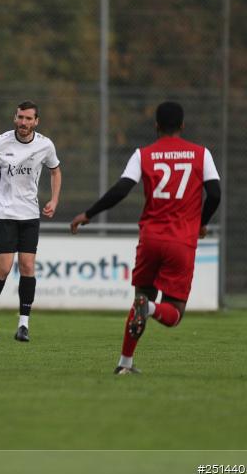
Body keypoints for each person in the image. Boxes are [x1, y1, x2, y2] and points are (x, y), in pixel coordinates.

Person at [70, 101, 220, 374]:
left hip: (150, 239)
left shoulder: (144, 155)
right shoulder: (202, 154)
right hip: (181, 241)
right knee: (173, 314)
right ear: (182, 126)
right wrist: (201, 223)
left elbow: (121, 189)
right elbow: (216, 194)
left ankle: (124, 363)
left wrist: (89, 214)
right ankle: (150, 309)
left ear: (156, 126)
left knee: (141, 296)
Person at [0, 100, 61, 342]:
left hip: (30, 214)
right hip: (4, 213)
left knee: (27, 267)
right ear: (15, 118)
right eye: (20, 118)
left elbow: (55, 170)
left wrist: (54, 200)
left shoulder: (45, 145)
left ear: (36, 121)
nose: (23, 122)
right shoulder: (0, 142)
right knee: (4, 268)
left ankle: (23, 324)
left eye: (28, 119)